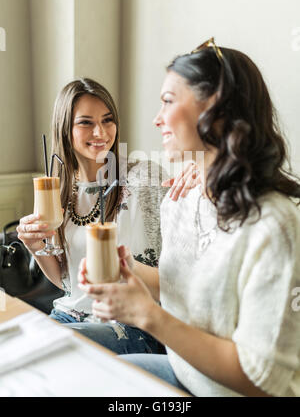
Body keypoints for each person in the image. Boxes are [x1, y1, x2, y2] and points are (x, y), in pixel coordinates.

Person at [78, 38, 300, 397]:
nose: (156, 118)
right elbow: (180, 286)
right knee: (80, 377)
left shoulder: (274, 226)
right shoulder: (180, 202)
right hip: (185, 376)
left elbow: (262, 381)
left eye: (167, 101)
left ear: (217, 110)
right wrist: (128, 271)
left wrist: (147, 316)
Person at [17, 77, 169, 355]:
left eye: (107, 120)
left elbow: (175, 273)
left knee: (41, 346)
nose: (100, 132)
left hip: (132, 325)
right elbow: (68, 283)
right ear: (65, 129)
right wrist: (35, 246)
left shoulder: (143, 177)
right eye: (86, 122)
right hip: (69, 316)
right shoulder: (60, 190)